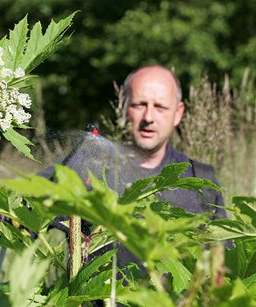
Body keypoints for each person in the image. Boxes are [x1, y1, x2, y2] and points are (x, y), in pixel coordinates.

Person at [45, 64, 226, 265]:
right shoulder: (84, 165)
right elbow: (27, 213)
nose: (148, 117)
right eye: (139, 105)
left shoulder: (201, 180)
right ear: (122, 105)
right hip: (99, 295)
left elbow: (223, 262)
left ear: (178, 112)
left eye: (160, 107)